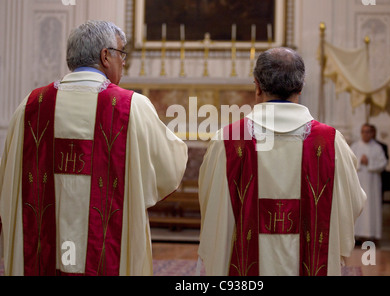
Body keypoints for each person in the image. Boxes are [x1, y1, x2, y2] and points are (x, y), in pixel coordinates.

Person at [0, 20, 188, 276]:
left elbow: (8, 181)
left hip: (42, 257)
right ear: (105, 55)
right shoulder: (131, 106)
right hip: (108, 258)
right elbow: (169, 165)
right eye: (122, 54)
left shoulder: (31, 106)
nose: (124, 62)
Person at [197, 47, 366, 276]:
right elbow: (353, 201)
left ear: (257, 86)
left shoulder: (227, 141)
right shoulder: (330, 142)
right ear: (301, 86)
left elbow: (211, 204)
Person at [350, 124, 387, 243]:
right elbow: (349, 162)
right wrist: (360, 162)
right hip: (359, 182)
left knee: (371, 208)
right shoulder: (354, 146)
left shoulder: (377, 148)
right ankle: (357, 235)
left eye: (368, 132)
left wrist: (370, 163)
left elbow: (383, 163)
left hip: (373, 184)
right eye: (363, 132)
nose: (365, 134)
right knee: (359, 206)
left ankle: (372, 235)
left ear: (372, 133)